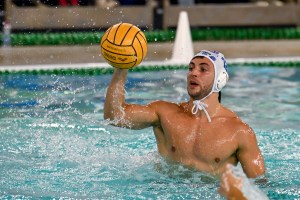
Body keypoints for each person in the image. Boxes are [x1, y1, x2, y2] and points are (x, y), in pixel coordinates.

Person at [104, 50, 265, 178]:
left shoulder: (239, 132)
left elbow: (260, 184)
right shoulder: (164, 113)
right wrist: (121, 68)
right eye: (191, 68)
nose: (193, 73)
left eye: (203, 69)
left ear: (220, 79)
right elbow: (114, 116)